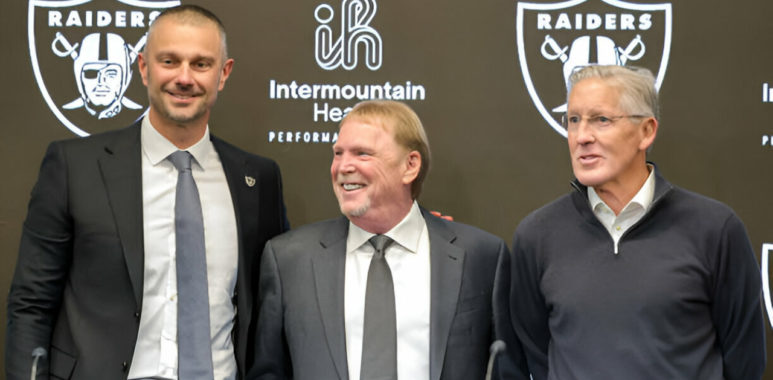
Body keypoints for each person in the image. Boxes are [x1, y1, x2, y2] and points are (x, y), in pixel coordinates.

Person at [5, 5, 288, 379]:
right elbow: (31, 304)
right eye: (169, 61)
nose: (184, 78)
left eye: (201, 64)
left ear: (224, 73)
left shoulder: (258, 179)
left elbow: (271, 308)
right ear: (143, 68)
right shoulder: (75, 166)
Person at [510, 65, 765, 379]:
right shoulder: (536, 235)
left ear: (647, 130)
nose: (582, 136)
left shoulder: (715, 229)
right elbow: (532, 356)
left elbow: (745, 359)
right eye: (573, 120)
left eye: (601, 120)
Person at [248, 100, 529, 380]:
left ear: (410, 165)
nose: (343, 166)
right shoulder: (289, 260)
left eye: (362, 154)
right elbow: (268, 372)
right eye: (338, 153)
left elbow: (506, 372)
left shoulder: (482, 257)